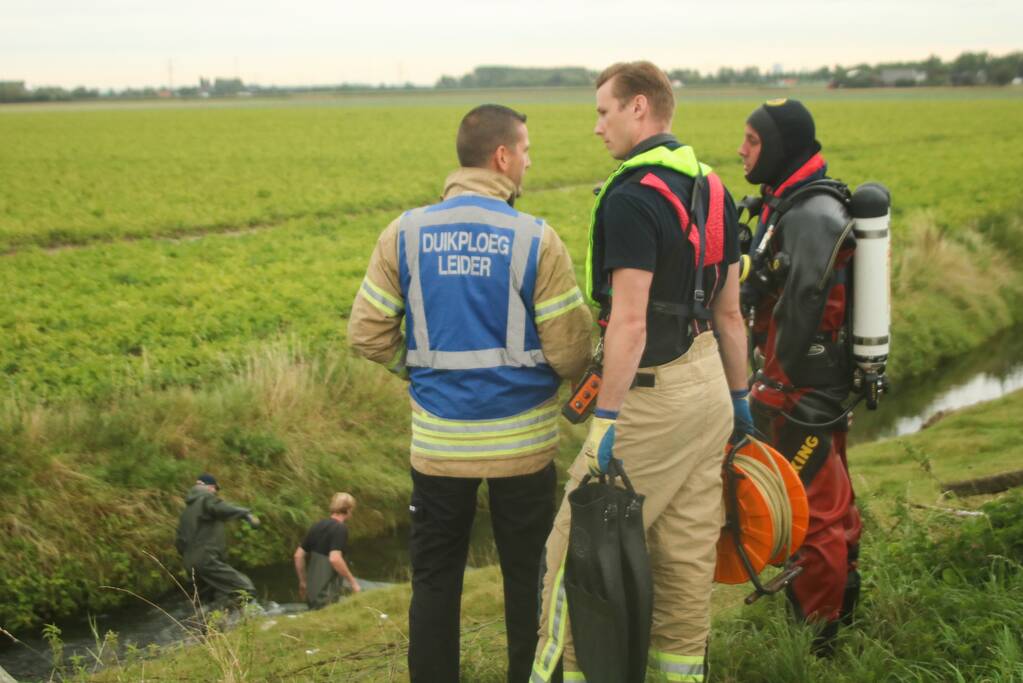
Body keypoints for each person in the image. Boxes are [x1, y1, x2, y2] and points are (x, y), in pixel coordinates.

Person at [347, 104, 592, 683]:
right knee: (528, 575)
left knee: (434, 578)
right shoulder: (536, 238)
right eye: (526, 151)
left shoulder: (403, 233)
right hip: (524, 444)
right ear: (502, 157)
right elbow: (570, 351)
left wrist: (418, 371)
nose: (529, 161)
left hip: (439, 443)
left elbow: (365, 332)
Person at [531, 61, 750, 683]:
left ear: (639, 109)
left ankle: (564, 674)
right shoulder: (712, 188)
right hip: (708, 382)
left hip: (653, 398)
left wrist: (604, 423)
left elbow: (628, 324)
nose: (596, 127)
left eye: (604, 111)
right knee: (683, 558)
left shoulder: (631, 198)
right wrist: (740, 400)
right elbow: (731, 314)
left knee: (575, 557)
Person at [737, 98, 862, 652]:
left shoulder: (810, 214)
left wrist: (774, 386)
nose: (742, 149)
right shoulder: (792, 203)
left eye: (753, 140)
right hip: (814, 384)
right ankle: (842, 609)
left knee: (813, 512)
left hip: (801, 389)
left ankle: (820, 639)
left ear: (781, 148)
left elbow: (808, 303)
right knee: (831, 502)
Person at [175, 473, 260, 603]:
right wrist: (245, 514)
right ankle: (247, 619)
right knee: (244, 588)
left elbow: (179, 543)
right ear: (209, 487)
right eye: (215, 489)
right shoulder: (206, 498)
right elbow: (222, 508)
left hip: (190, 565)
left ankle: (214, 621)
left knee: (207, 602)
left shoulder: (186, 511)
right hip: (207, 560)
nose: (215, 492)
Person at [294, 492, 361, 609]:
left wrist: (303, 582)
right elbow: (335, 559)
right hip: (326, 596)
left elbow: (298, 556)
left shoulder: (317, 525)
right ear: (349, 510)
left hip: (311, 594)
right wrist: (353, 582)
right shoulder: (340, 528)